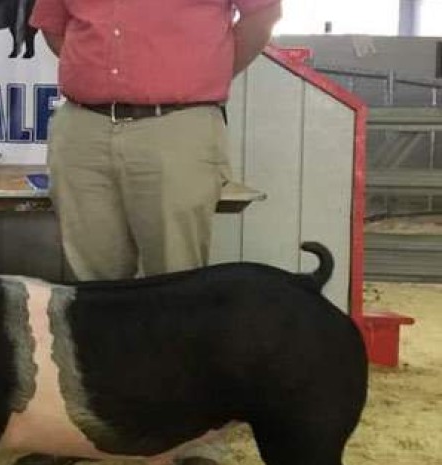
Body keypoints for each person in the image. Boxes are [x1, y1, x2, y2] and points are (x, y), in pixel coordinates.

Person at [28, 1, 282, 464]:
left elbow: (262, 16)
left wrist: (202, 73)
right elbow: (54, 26)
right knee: (94, 295)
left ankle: (188, 437)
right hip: (83, 128)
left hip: (177, 123)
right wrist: (99, 81)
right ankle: (97, 430)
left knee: (182, 289)